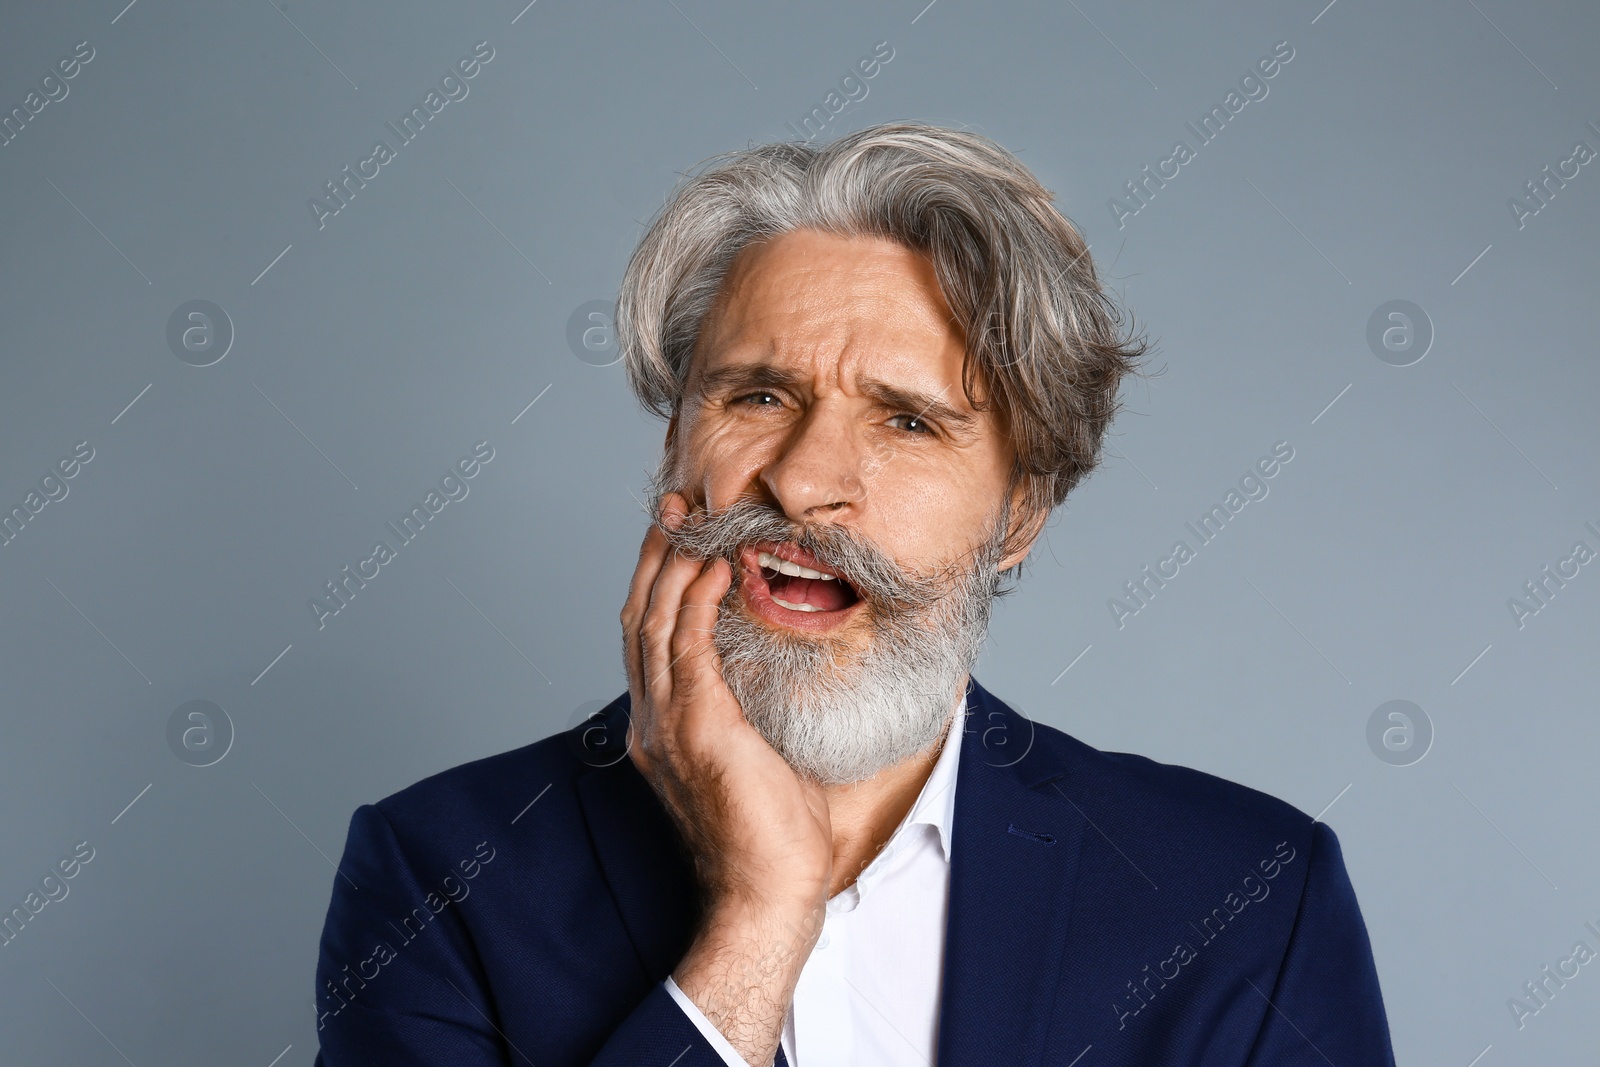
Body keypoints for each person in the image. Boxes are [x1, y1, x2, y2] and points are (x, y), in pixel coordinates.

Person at [312, 122, 1396, 1066]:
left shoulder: (1247, 893)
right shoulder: (438, 875)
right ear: (672, 450)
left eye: (907, 420)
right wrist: (757, 920)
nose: (802, 481)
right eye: (756, 393)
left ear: (1017, 517)